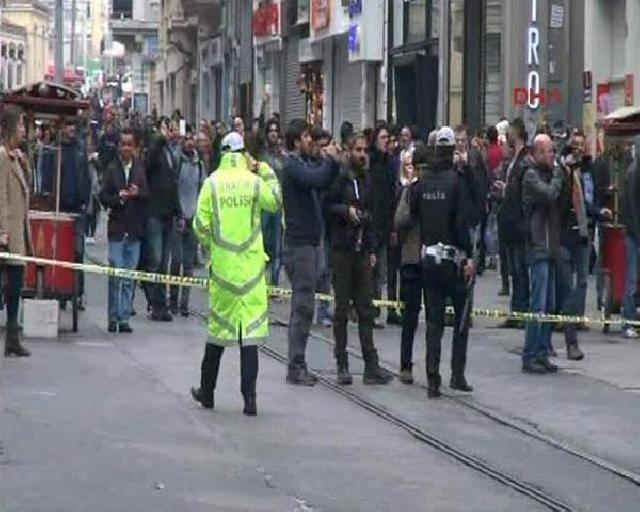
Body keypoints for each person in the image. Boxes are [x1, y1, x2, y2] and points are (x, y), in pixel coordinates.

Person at [190, 132, 281, 415]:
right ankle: (250, 400)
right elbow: (275, 201)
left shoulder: (212, 183)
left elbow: (200, 224)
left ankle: (207, 393)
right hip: (251, 270)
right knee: (249, 336)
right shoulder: (254, 182)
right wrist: (264, 168)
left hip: (224, 269)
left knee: (217, 332)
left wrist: (212, 246)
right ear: (244, 154)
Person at [323, 132, 394, 385]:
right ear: (349, 152)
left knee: (366, 308)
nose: (363, 155)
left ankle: (370, 365)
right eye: (358, 150)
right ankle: (342, 363)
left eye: (365, 150)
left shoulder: (367, 180)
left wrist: (373, 248)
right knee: (342, 310)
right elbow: (327, 206)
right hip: (342, 250)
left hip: (362, 250)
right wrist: (345, 211)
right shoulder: (339, 179)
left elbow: (372, 213)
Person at [411, 126, 475, 397]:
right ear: (453, 152)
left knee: (434, 321)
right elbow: (463, 221)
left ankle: (432, 378)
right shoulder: (456, 181)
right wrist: (469, 254)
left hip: (428, 258)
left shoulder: (422, 181)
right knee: (461, 318)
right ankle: (457, 374)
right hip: (454, 259)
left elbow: (414, 213)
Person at [282, 119, 339, 385]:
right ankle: (295, 366)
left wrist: (332, 163)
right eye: (306, 137)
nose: (310, 141)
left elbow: (324, 181)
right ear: (295, 141)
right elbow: (314, 179)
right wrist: (328, 161)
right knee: (303, 306)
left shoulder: (304, 163)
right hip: (299, 244)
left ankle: (299, 363)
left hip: (310, 243)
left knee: (306, 303)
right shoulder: (292, 165)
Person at [521, 134, 563, 374]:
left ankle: (543, 351)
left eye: (553, 151)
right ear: (536, 153)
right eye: (547, 152)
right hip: (538, 246)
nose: (552, 156)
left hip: (551, 246)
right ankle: (530, 354)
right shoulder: (531, 175)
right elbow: (549, 193)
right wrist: (558, 173)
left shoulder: (546, 173)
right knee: (537, 302)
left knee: (550, 303)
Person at [100, 128, 149, 333]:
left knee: (129, 276)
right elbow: (103, 197)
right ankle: (113, 316)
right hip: (117, 228)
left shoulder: (139, 169)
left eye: (130, 144)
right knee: (116, 274)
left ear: (135, 147)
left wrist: (138, 193)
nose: (126, 148)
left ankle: (124, 317)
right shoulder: (112, 169)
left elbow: (148, 195)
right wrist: (118, 197)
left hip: (134, 230)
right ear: (120, 146)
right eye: (124, 144)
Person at [0, 105, 31, 357]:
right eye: (21, 125)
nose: (24, 130)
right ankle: (11, 333)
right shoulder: (1, 157)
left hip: (18, 233)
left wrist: (23, 162)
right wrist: (1, 231)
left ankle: (12, 334)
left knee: (15, 287)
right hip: (7, 234)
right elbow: (0, 196)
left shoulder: (14, 157)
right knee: (7, 286)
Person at [144, 118, 182, 321]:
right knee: (156, 260)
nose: (170, 132)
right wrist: (159, 140)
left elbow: (173, 184)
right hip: (154, 214)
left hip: (168, 215)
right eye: (166, 128)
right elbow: (147, 164)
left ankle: (160, 304)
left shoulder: (170, 153)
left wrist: (178, 212)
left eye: (172, 128)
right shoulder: (155, 149)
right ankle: (154, 303)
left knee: (164, 263)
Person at [495, 118, 530, 325]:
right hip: (510, 222)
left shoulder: (524, 160)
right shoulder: (514, 160)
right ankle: (516, 311)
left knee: (519, 270)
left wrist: (507, 190)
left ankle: (521, 312)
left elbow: (522, 191)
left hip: (518, 223)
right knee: (514, 269)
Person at [394, 145, 423, 384]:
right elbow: (400, 219)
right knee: (415, 316)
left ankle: (407, 364)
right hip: (418, 257)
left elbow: (400, 219)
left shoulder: (413, 190)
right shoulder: (410, 190)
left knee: (412, 316)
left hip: (416, 257)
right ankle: (408, 364)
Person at [169, 129, 205, 316]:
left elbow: (203, 189)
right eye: (187, 140)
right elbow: (172, 187)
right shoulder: (177, 160)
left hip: (193, 217)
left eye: (193, 140)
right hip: (178, 217)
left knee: (189, 264)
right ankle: (173, 300)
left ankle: (184, 304)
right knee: (176, 260)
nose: (190, 143)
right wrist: (178, 213)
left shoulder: (199, 163)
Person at [59, 120, 92, 310]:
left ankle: (78, 292)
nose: (71, 128)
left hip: (77, 208)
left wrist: (85, 202)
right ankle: (62, 291)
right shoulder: (56, 149)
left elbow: (86, 177)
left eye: (72, 125)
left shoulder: (80, 150)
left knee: (78, 251)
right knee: (62, 250)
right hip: (61, 205)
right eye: (68, 124)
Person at [369, 125, 399, 327]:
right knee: (374, 269)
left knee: (389, 269)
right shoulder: (371, 163)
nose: (386, 141)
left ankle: (391, 307)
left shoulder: (391, 163)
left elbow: (393, 194)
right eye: (382, 137)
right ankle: (372, 307)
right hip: (373, 222)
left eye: (387, 137)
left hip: (387, 222)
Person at [619, 136, 640, 338]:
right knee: (632, 277)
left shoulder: (632, 170)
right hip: (635, 233)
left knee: (633, 277)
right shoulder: (634, 172)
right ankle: (628, 321)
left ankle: (631, 318)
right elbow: (633, 207)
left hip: (633, 231)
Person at [261, 118, 285, 288]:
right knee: (262, 244)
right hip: (263, 205)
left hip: (278, 206)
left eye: (276, 131)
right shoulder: (262, 155)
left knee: (277, 246)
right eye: (271, 131)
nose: (274, 134)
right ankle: (260, 281)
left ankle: (274, 285)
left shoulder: (283, 156)